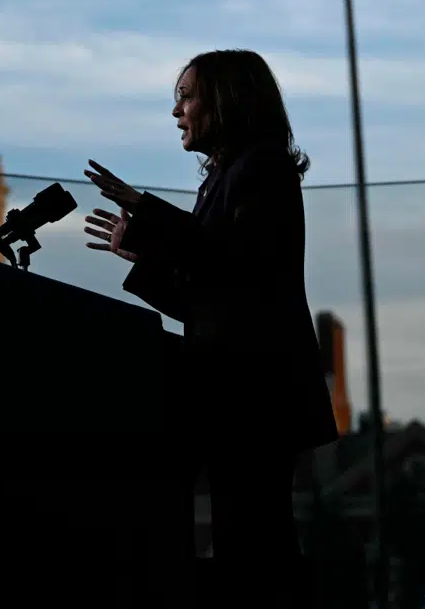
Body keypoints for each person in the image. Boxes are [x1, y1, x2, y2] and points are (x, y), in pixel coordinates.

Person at [83, 48, 339, 605]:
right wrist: (143, 255)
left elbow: (234, 262)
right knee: (245, 540)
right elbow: (213, 296)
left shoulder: (261, 168)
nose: (177, 111)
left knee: (258, 546)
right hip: (232, 397)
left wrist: (144, 211)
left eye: (186, 96)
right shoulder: (225, 178)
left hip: (256, 398)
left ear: (223, 101)